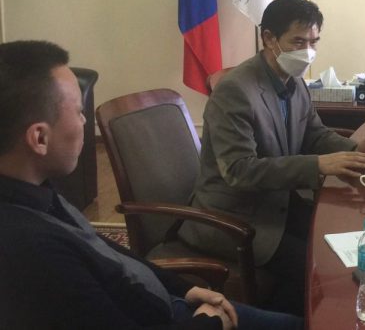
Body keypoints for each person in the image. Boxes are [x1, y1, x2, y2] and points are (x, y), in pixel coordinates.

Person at [0, 40, 302, 329]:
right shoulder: (33, 250)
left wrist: (183, 289)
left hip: (170, 300)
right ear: (39, 138)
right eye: (79, 112)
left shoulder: (34, 191)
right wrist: (208, 323)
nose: (83, 122)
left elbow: (105, 251)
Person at [179, 0, 365, 316]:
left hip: (276, 204)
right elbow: (239, 171)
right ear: (269, 38)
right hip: (234, 217)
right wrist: (318, 165)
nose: (308, 51)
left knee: (337, 242)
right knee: (316, 269)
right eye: (298, 41)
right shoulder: (235, 90)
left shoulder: (294, 82)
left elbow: (313, 134)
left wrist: (353, 149)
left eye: (314, 42)